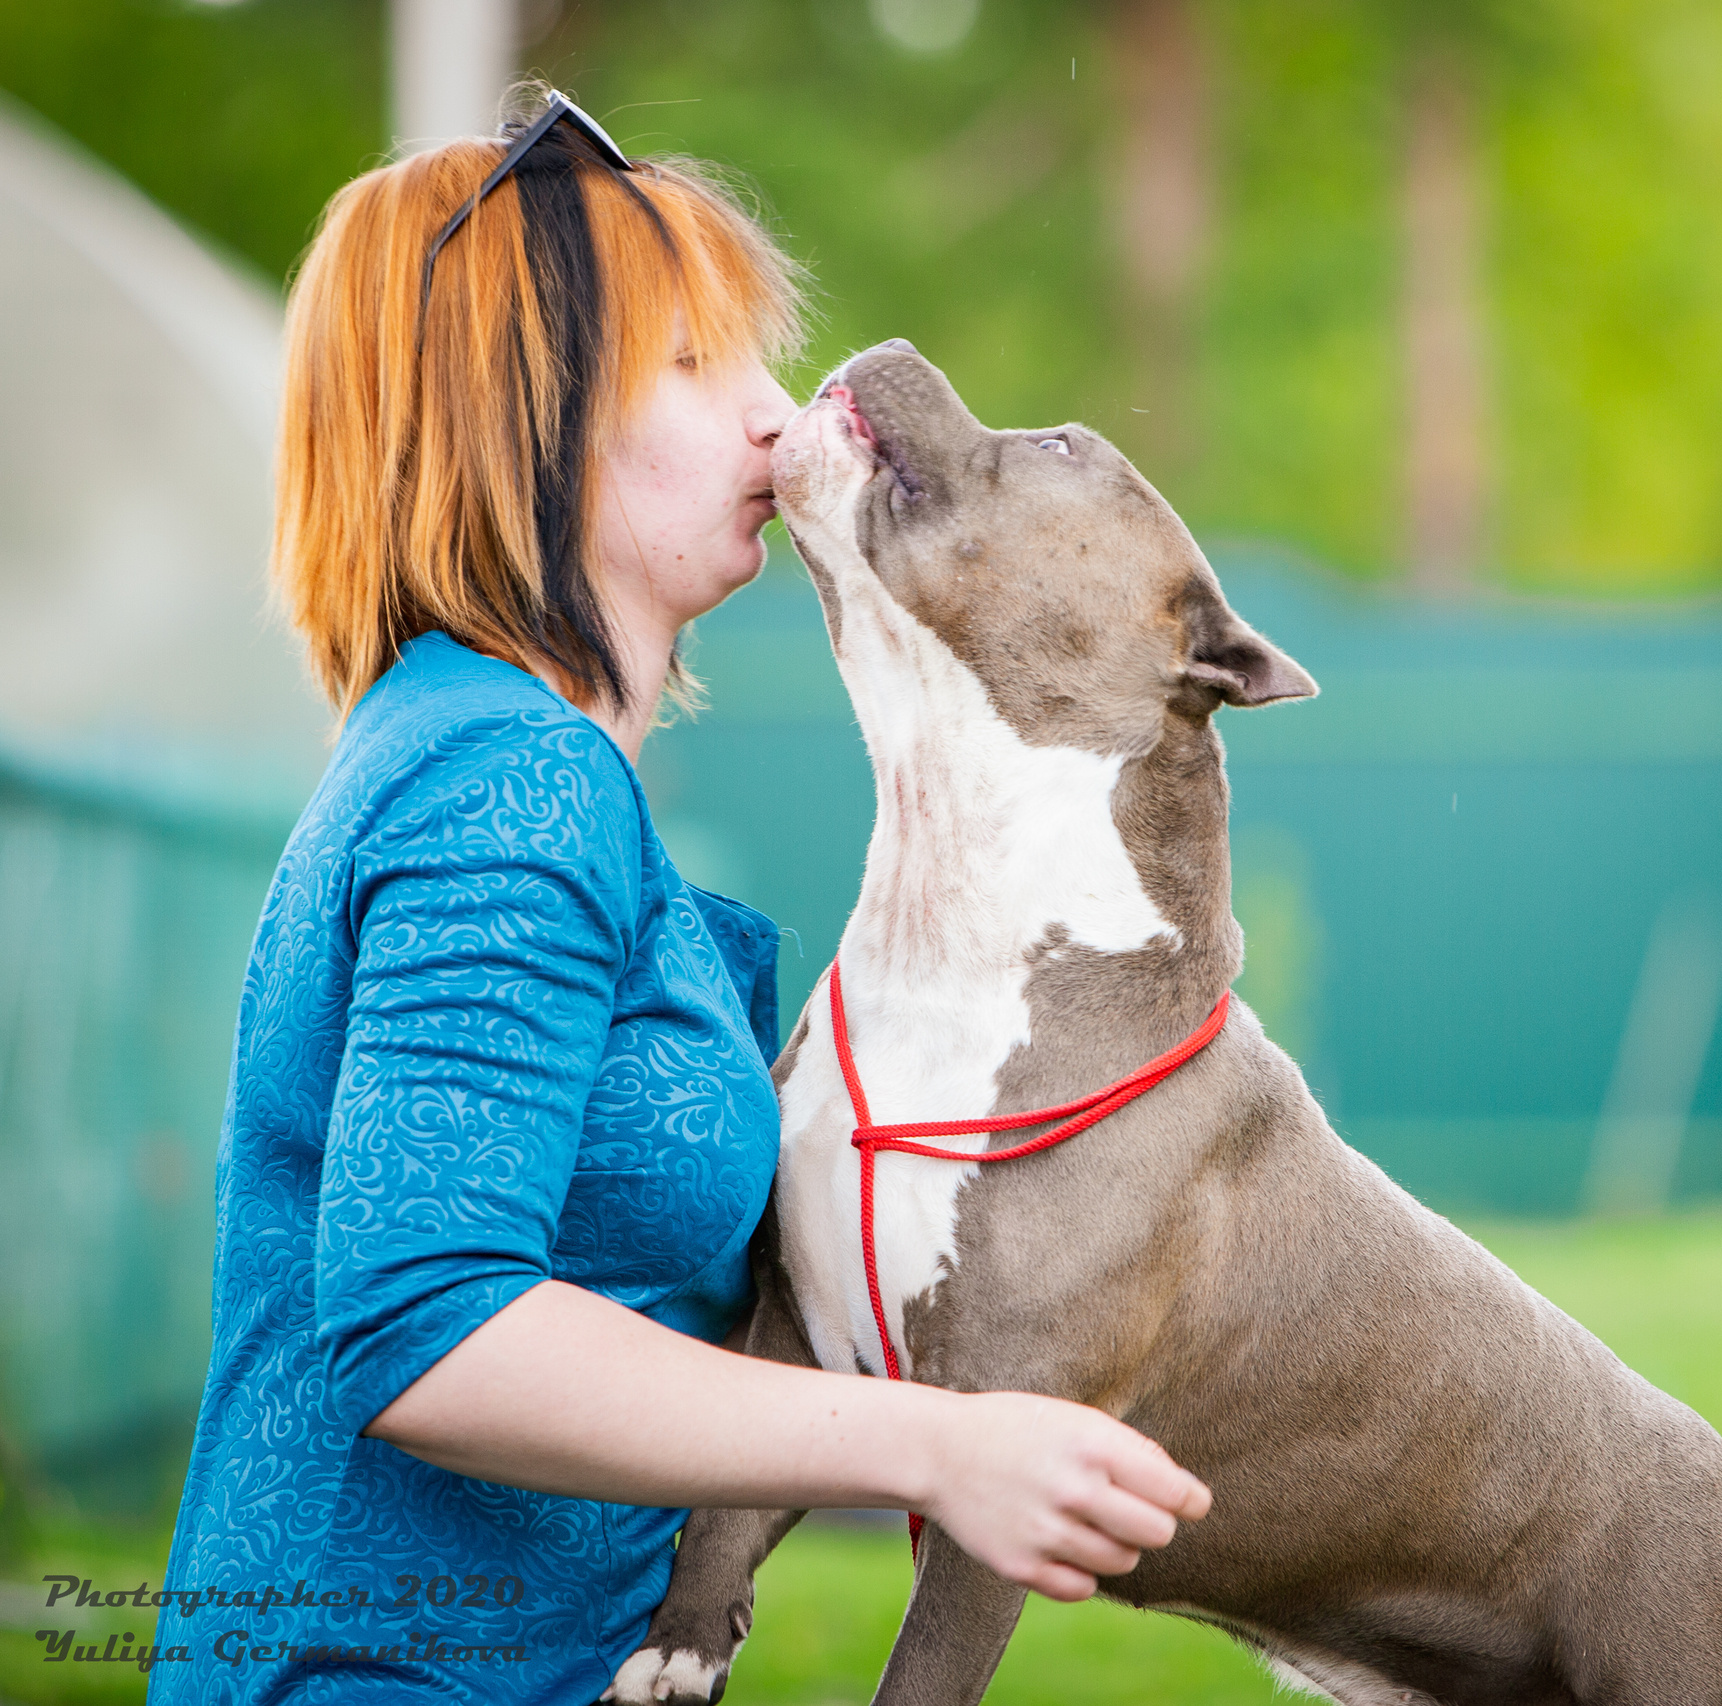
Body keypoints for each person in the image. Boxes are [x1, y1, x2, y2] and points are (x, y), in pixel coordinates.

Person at [148, 91, 1209, 1705]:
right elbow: (434, 1321)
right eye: (699, 365)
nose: (779, 423)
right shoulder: (507, 777)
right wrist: (940, 1448)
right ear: (525, 416)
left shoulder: (483, 747)